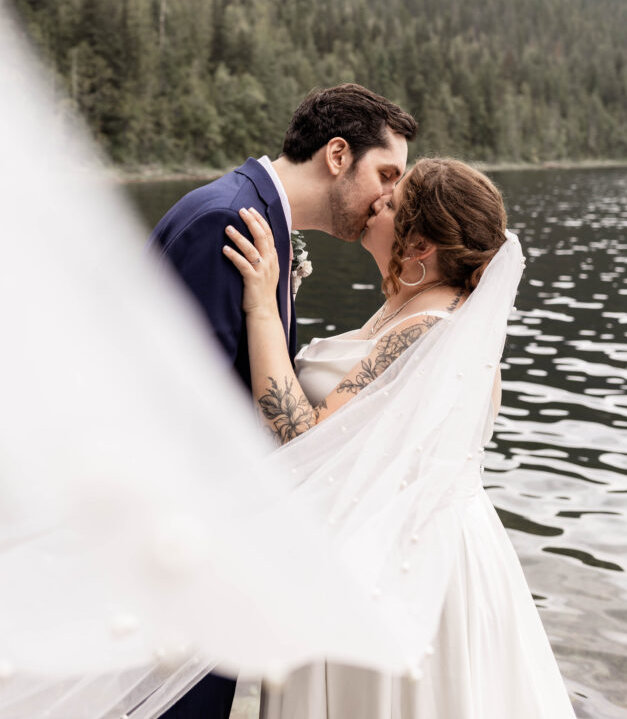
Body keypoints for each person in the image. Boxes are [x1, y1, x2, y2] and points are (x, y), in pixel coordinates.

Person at [224, 158, 576, 718]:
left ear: (421, 248)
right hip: (387, 550)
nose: (376, 202)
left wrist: (261, 306)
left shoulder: (427, 332)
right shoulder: (415, 308)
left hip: (402, 569)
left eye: (392, 202)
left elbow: (301, 433)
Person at [148, 83, 418, 718]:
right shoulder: (228, 222)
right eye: (386, 172)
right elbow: (178, 414)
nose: (390, 196)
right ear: (336, 154)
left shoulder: (258, 221)